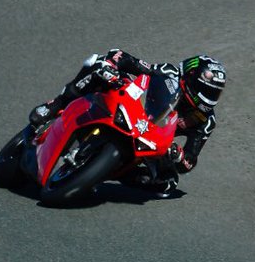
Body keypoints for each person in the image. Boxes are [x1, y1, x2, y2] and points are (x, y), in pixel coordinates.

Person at [28, 49, 226, 195]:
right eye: (207, 90)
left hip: (151, 141)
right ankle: (56, 104)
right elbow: (128, 60)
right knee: (97, 65)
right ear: (191, 77)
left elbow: (190, 161)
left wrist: (179, 156)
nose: (210, 97)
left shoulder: (205, 120)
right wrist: (113, 66)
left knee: (168, 183)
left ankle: (105, 173)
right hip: (133, 111)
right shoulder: (169, 72)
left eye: (215, 93)